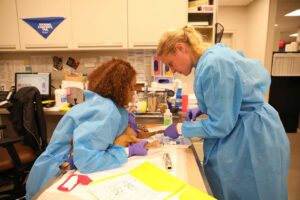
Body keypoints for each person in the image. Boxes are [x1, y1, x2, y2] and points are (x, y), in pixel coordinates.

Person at [157, 25, 290, 200]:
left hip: (252, 137)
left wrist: (182, 129)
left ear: (180, 48)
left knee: (254, 192)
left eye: (170, 64)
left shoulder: (213, 65)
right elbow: (231, 95)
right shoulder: (210, 58)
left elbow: (221, 125)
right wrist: (202, 108)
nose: (172, 71)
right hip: (252, 127)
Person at [26, 59, 149, 199]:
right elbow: (88, 161)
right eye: (131, 87)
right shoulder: (105, 110)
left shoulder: (101, 103)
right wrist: (128, 151)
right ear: (121, 87)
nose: (133, 92)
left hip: (54, 170)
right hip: (53, 179)